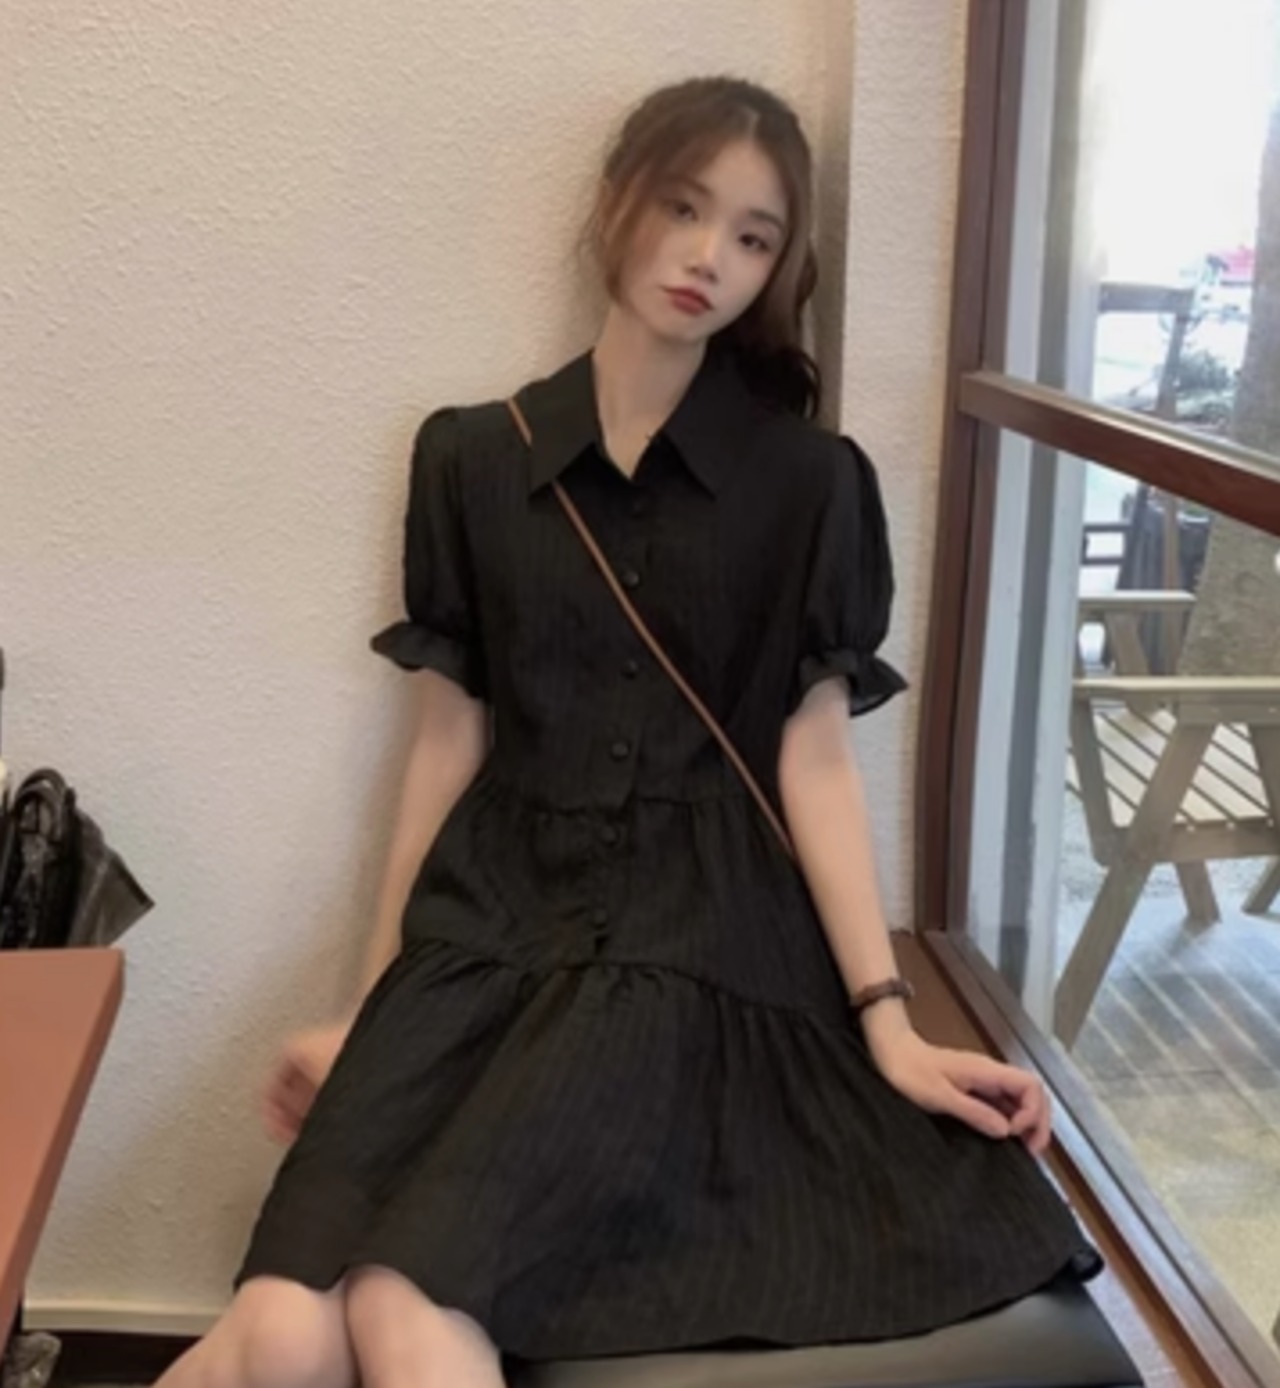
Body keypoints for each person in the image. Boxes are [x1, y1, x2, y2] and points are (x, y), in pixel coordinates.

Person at [158, 74, 1101, 1388]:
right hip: (486, 920)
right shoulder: (469, 459)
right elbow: (445, 748)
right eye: (684, 208)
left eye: (754, 237)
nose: (710, 257)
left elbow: (815, 763)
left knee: (403, 1305)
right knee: (279, 1330)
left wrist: (885, 1020)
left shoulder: (811, 485)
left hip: (684, 930)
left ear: (777, 270)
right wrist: (369, 1004)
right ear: (617, 205)